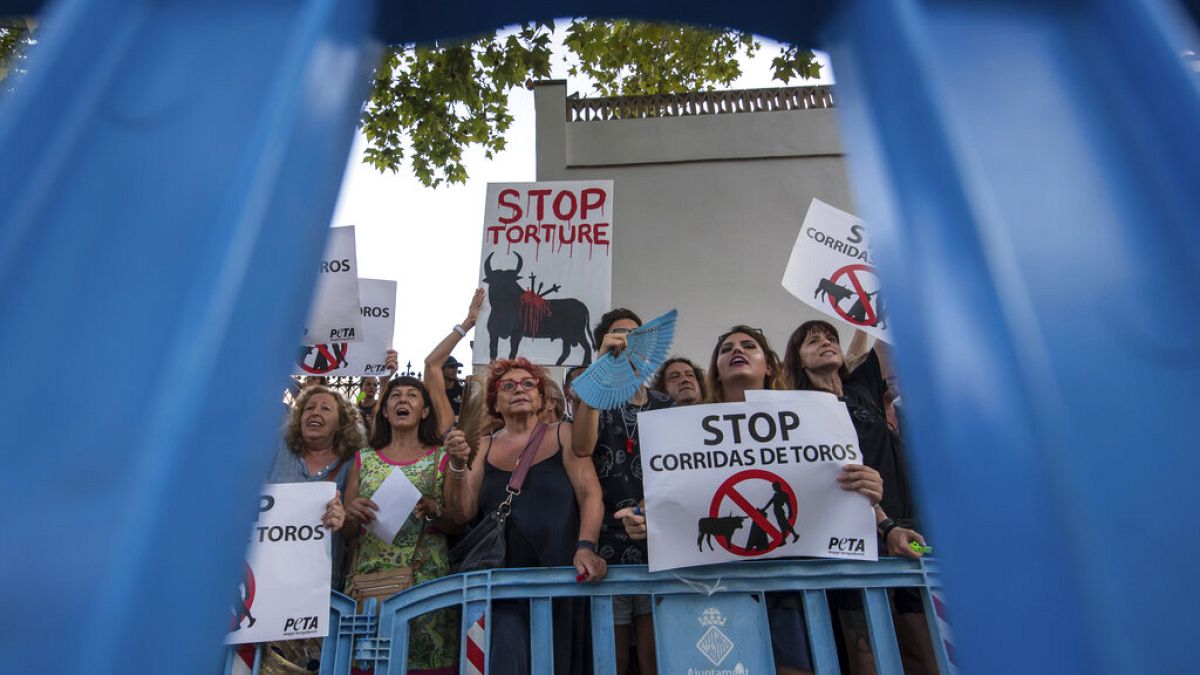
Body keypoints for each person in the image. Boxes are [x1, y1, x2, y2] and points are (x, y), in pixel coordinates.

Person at [783, 320, 936, 674]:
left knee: (920, 644)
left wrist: (872, 296)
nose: (825, 342)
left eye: (830, 337)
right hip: (855, 537)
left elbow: (883, 332)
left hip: (911, 531)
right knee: (865, 648)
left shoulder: (862, 388)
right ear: (798, 360)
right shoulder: (798, 411)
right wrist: (885, 526)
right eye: (812, 340)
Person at [444, 356, 606, 675]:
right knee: (507, 656)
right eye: (508, 385)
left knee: (562, 662)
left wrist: (586, 546)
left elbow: (590, 494)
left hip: (562, 575)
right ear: (495, 403)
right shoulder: (484, 445)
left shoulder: (564, 434)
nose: (519, 389)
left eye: (528, 384)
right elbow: (463, 512)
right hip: (502, 580)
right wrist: (458, 465)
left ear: (542, 398)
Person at [572, 308, 673, 675]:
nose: (626, 341)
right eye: (617, 334)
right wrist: (599, 374)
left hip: (658, 545)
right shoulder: (594, 401)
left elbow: (679, 473)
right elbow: (582, 447)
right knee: (612, 661)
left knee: (654, 659)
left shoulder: (667, 405)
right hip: (608, 550)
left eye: (635, 335)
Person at [342, 375, 462, 674]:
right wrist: (351, 514)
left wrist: (434, 510)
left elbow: (457, 522)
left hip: (426, 589)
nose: (402, 400)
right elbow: (345, 532)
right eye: (395, 396)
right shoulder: (362, 459)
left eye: (412, 395)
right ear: (385, 410)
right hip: (370, 587)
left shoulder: (442, 458)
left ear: (424, 411)